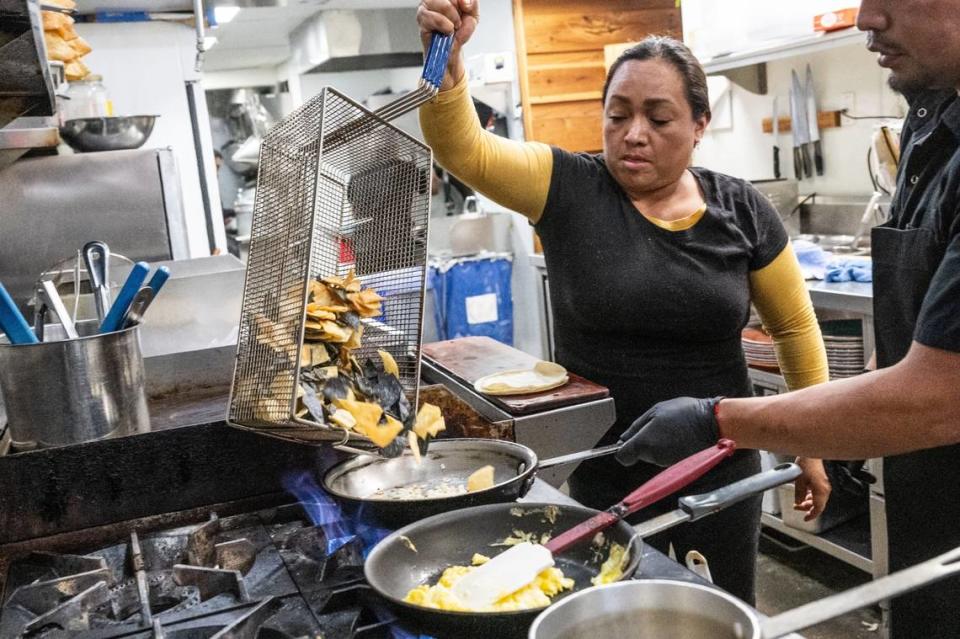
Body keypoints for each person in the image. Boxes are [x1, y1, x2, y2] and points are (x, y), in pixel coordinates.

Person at [416, 0, 832, 605]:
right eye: (619, 116)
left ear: (698, 125)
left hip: (717, 469)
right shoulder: (566, 185)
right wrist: (449, 68)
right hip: (600, 472)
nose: (634, 133)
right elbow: (467, 151)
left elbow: (794, 330)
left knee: (715, 610)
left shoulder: (740, 208)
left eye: (659, 119)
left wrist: (811, 444)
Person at [616, 0, 960, 635]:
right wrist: (851, 413)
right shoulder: (928, 124)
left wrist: (716, 419)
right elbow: (918, 349)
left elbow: (939, 397)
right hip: (928, 512)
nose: (865, 19)